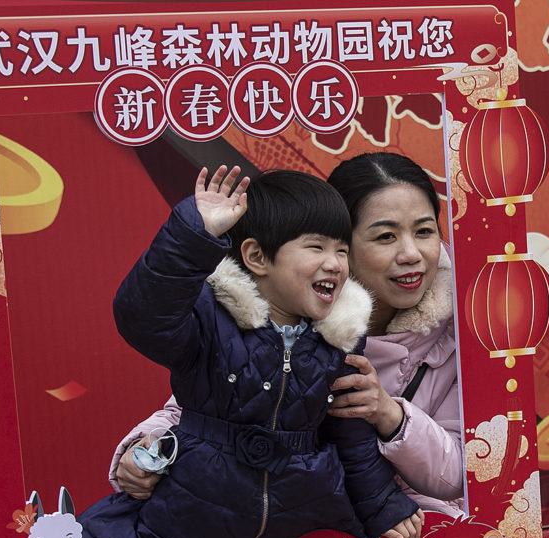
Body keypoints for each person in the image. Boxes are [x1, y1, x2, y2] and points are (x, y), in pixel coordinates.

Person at [78, 167, 423, 538]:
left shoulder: (340, 336)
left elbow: (350, 436)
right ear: (258, 257)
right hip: (189, 521)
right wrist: (194, 235)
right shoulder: (209, 318)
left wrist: (382, 503)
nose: (335, 264)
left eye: (342, 250)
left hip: (298, 527)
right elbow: (142, 316)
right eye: (316, 247)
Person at [108, 152, 465, 517]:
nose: (411, 254)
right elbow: (200, 407)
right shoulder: (279, 312)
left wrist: (391, 416)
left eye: (424, 231)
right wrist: (144, 449)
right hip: (289, 521)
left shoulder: (469, 325)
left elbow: (462, 476)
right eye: (385, 236)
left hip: (413, 531)